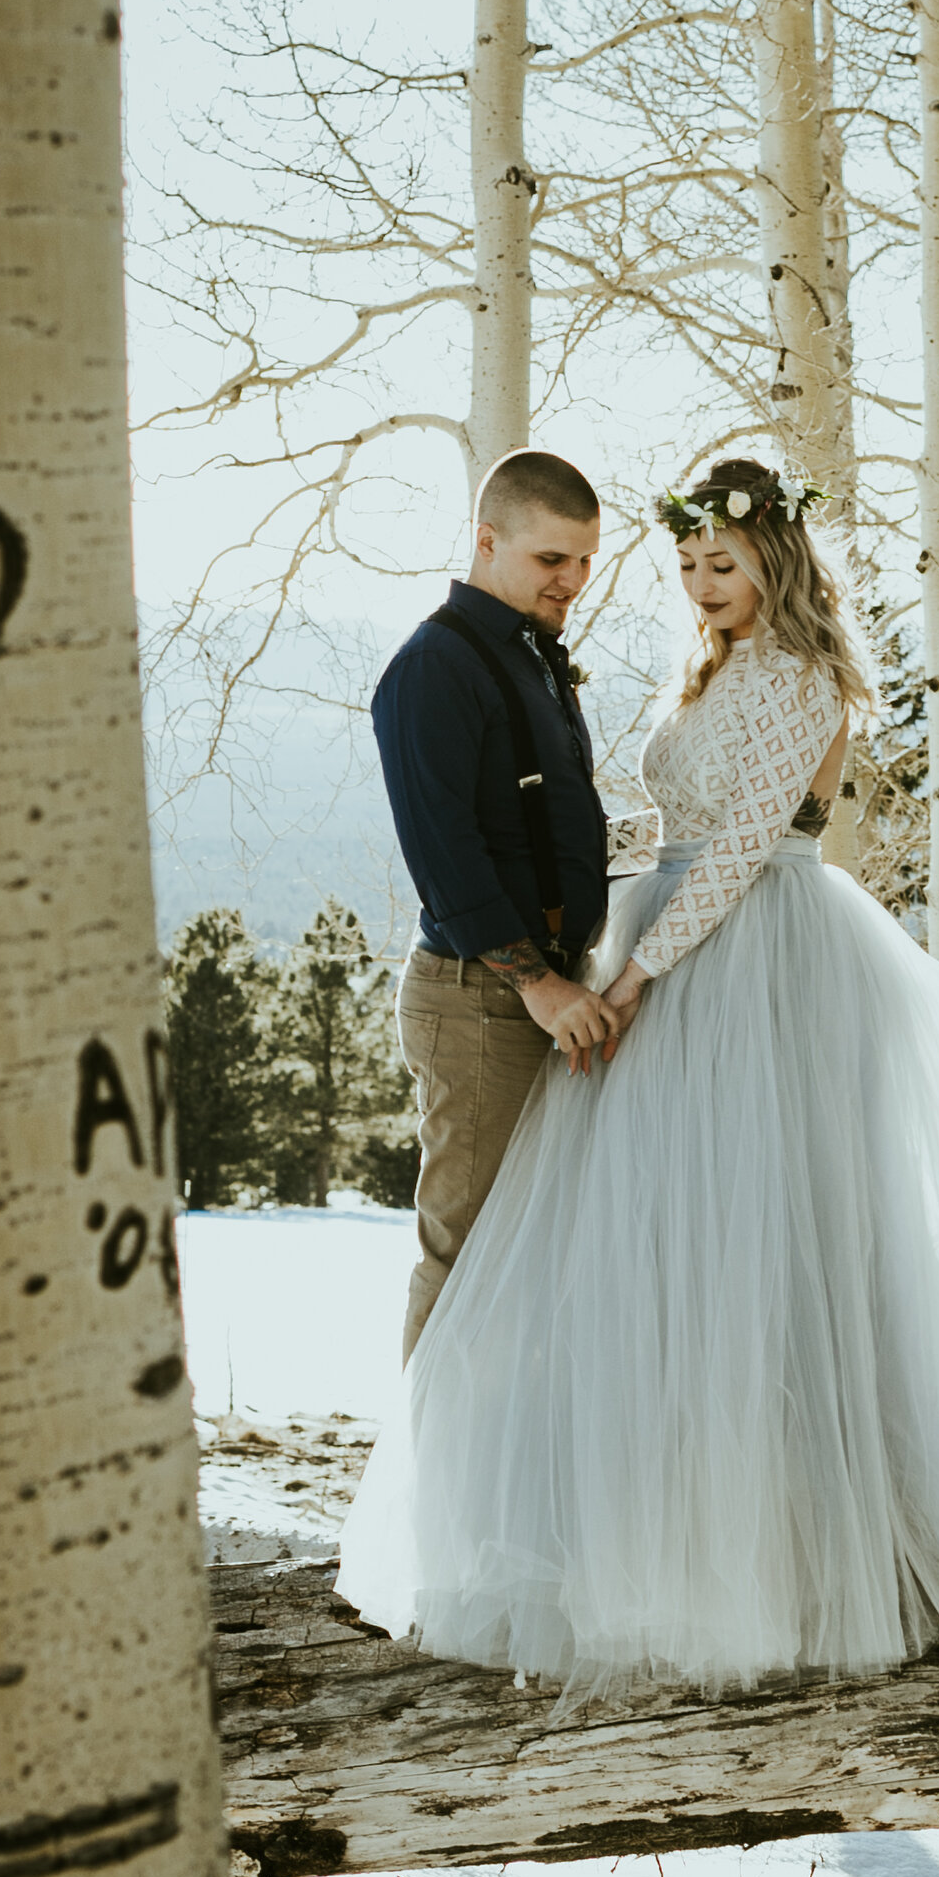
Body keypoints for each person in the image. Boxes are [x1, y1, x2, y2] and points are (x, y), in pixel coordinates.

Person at [339, 455, 939, 1711]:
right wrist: (621, 949)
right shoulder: (664, 668)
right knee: (628, 1257)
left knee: (777, 1258)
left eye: (725, 565)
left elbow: (750, 842)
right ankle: (561, 1524)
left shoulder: (805, 680)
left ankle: (811, 1556)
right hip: (643, 957)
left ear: (779, 563)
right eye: (688, 567)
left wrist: (638, 967)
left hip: (746, 963)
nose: (700, 587)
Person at [369, 447, 613, 1356]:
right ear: (487, 540)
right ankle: (433, 1491)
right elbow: (445, 855)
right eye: (554, 560)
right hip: (481, 1000)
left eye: (586, 559)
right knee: (466, 1252)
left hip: (543, 993)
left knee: (530, 1253)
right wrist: (536, 986)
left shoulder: (532, 656)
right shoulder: (435, 664)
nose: (575, 581)